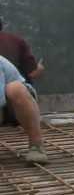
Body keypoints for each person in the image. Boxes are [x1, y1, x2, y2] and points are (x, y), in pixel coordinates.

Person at [0, 19, 48, 163]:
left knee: (15, 88)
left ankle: (36, 145)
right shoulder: (16, 40)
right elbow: (34, 73)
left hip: (16, 103)